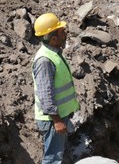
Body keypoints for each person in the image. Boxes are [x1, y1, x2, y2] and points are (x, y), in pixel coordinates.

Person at [32, 13, 80, 164]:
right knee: (53, 159)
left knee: (55, 155)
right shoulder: (45, 60)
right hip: (52, 119)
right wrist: (57, 120)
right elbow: (45, 94)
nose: (65, 34)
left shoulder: (53, 53)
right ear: (53, 38)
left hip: (58, 116)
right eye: (61, 32)